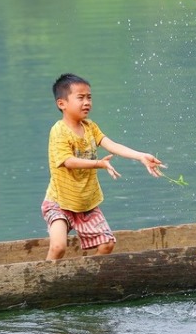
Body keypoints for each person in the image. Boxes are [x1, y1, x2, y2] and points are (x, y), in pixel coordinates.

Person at [42, 73, 163, 261]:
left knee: (107, 244)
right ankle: (45, 281)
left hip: (86, 203)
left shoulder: (90, 127)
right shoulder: (59, 131)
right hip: (60, 202)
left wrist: (140, 156)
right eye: (80, 98)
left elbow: (112, 145)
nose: (87, 102)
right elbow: (68, 161)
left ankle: (83, 279)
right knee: (58, 247)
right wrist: (99, 163)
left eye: (89, 97)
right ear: (62, 104)